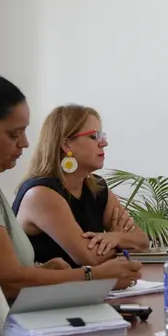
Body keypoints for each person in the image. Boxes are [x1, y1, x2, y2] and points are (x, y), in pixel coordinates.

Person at [0, 68, 140, 301]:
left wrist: (40, 272)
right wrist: (94, 276)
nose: (25, 143)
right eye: (14, 134)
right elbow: (8, 282)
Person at [13, 104, 150, 267]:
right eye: (94, 137)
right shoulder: (41, 194)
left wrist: (116, 237)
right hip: (46, 291)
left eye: (102, 136)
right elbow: (89, 259)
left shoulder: (97, 187)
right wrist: (121, 242)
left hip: (86, 289)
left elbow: (142, 241)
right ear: (66, 144)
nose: (104, 143)